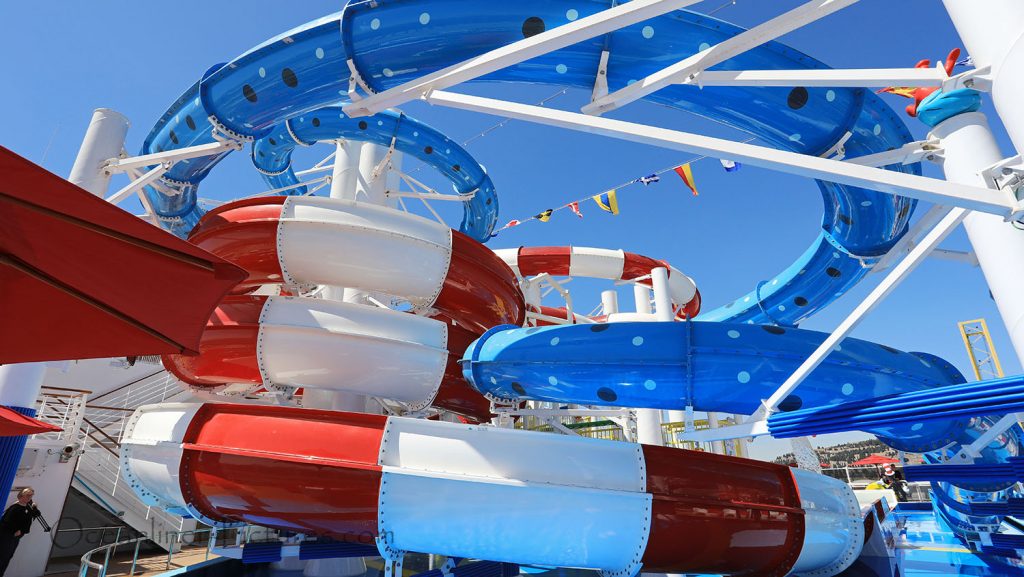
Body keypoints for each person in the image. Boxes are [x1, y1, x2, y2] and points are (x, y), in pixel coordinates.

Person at [0, 487, 38, 576]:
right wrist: (15, 531)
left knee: (7, 557)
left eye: (31, 496)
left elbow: (28, 522)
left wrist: (21, 531)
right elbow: (5, 522)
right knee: (3, 557)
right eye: (28, 495)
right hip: (7, 536)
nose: (29, 498)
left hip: (15, 537)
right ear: (21, 496)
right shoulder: (15, 507)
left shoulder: (28, 509)